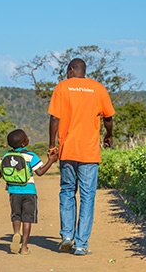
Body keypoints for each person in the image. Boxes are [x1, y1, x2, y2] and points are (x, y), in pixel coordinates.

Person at [48, 58, 115, 256]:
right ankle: (81, 244)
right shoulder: (98, 88)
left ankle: (67, 236)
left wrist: (52, 144)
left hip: (67, 150)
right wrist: (108, 135)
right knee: (87, 196)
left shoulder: (62, 87)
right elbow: (108, 117)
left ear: (70, 70)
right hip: (89, 152)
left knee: (67, 190)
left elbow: (54, 118)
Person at [0, 129, 58, 255]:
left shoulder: (6, 156)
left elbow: (1, 172)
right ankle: (24, 247)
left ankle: (16, 232)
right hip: (29, 191)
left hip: (13, 190)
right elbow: (40, 172)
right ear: (24, 143)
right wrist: (51, 160)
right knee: (27, 219)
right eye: (26, 137)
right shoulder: (30, 156)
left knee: (16, 215)